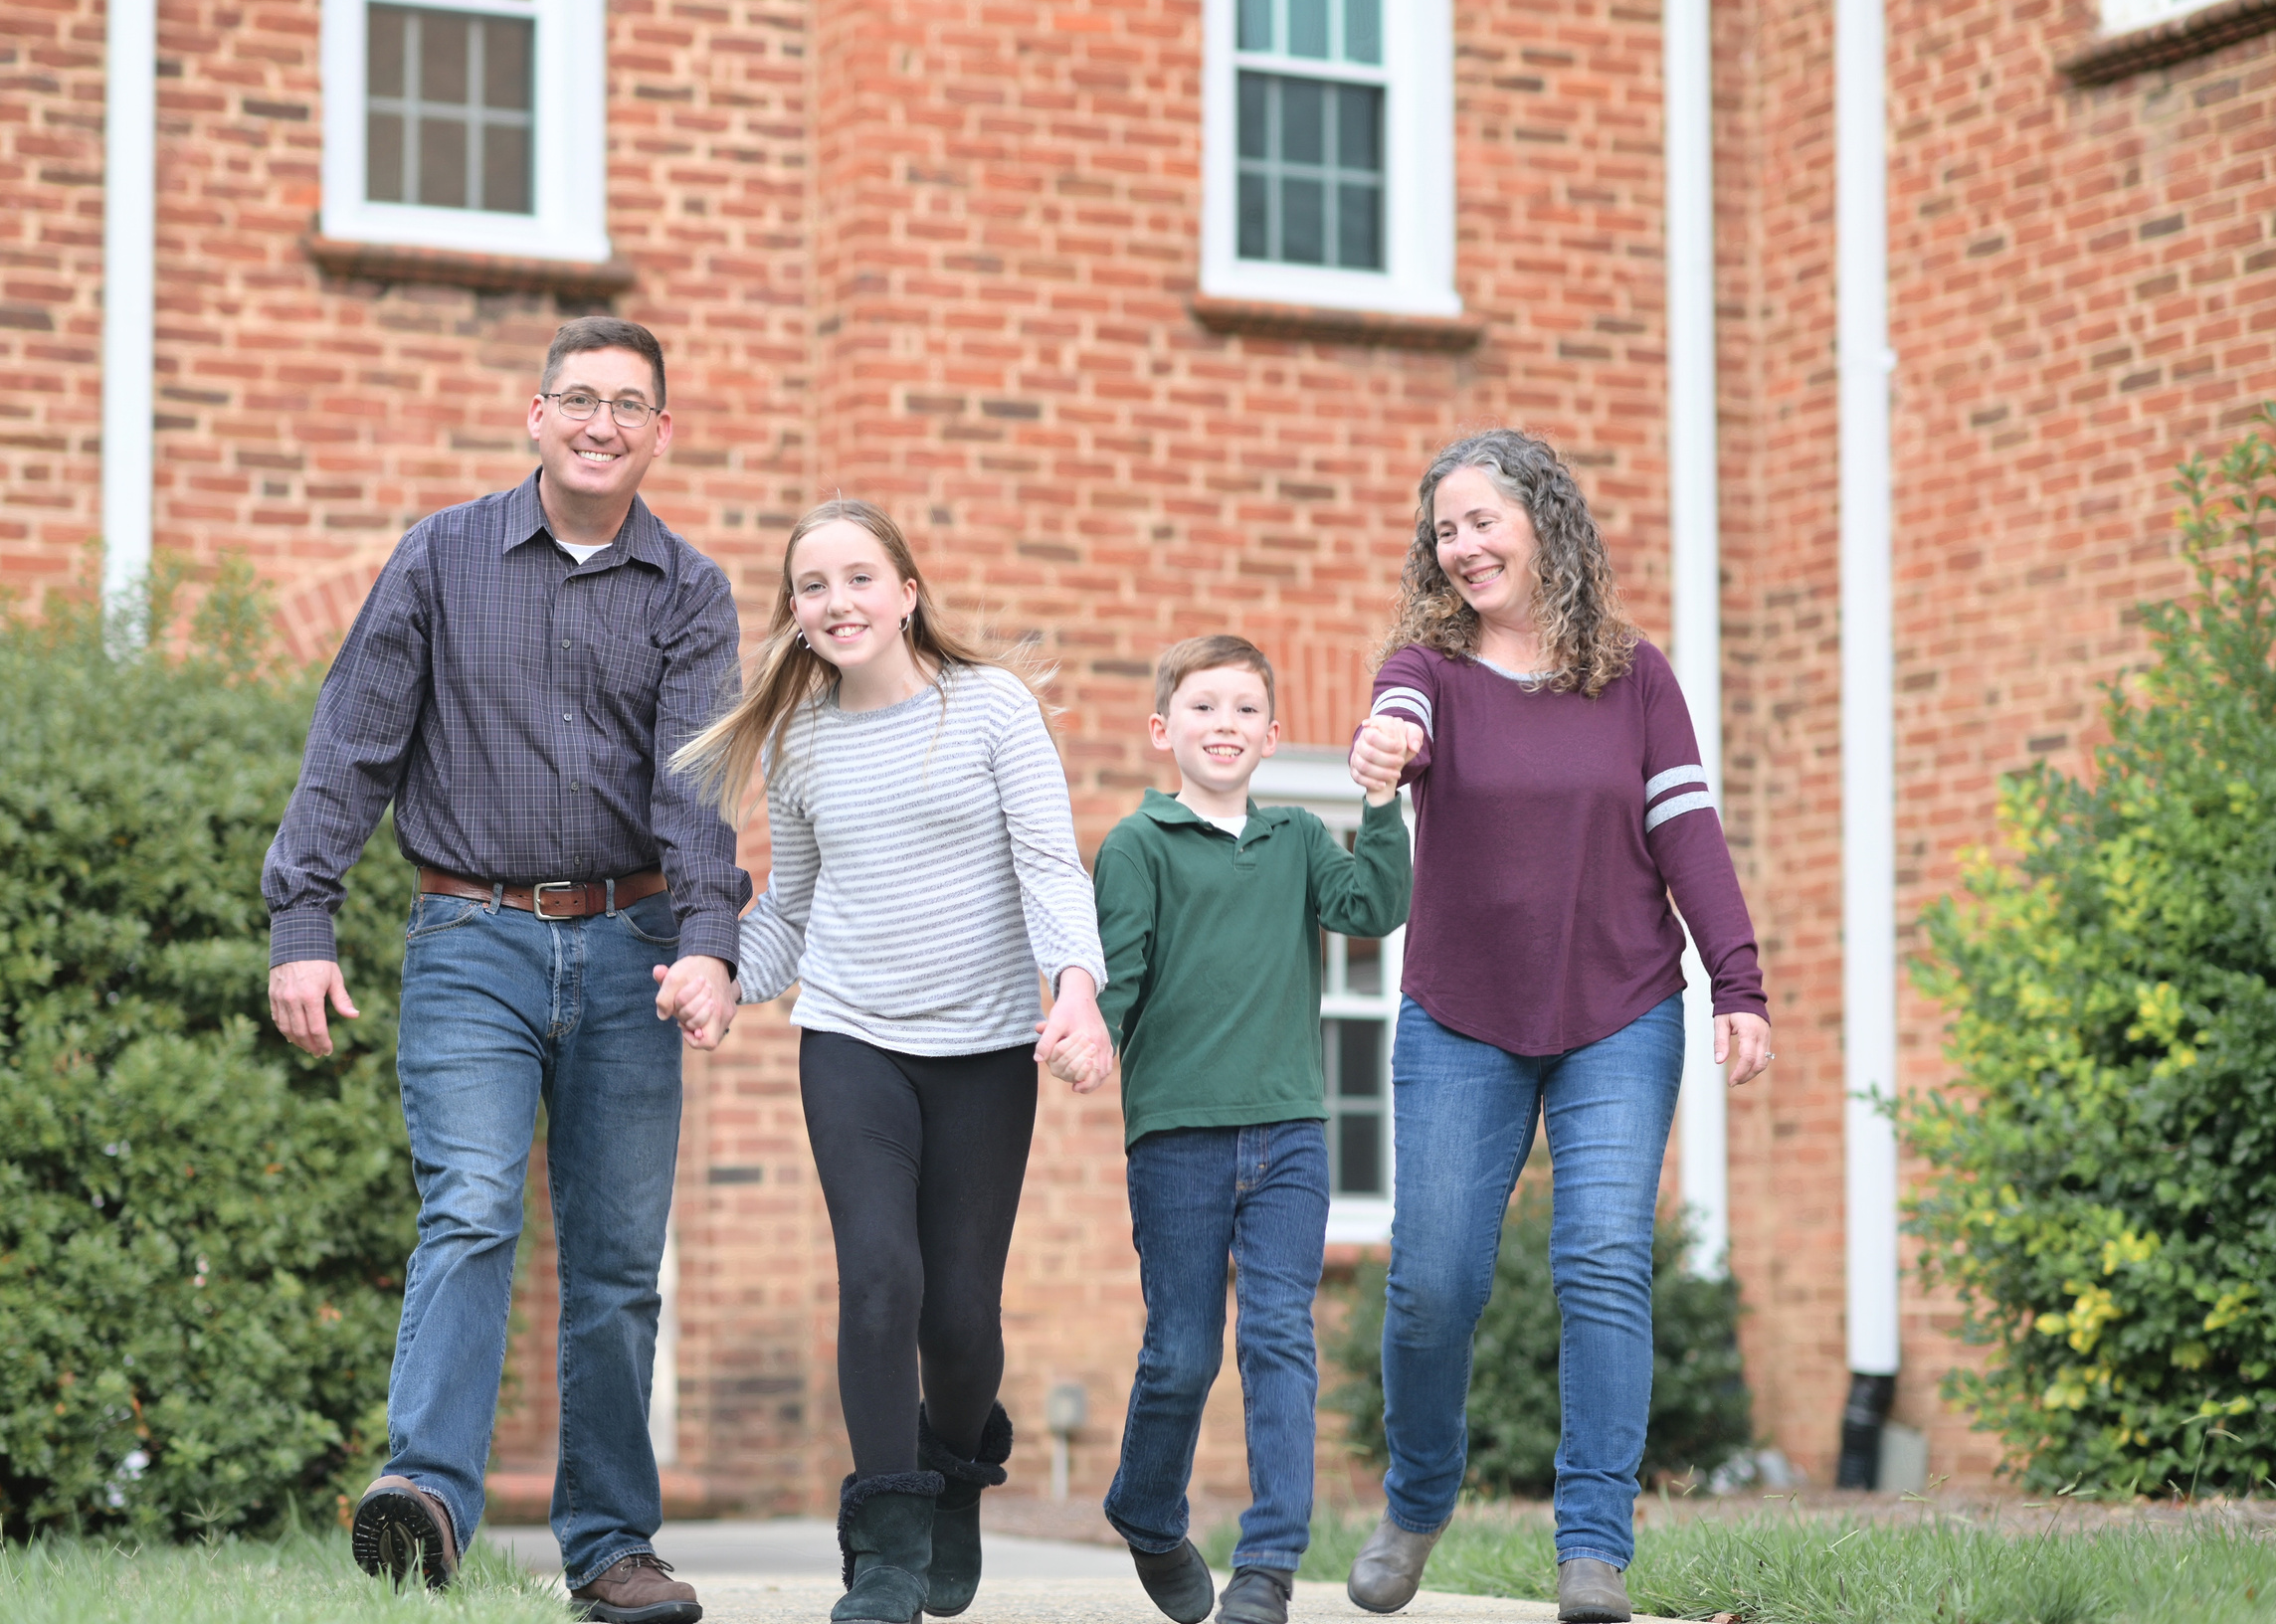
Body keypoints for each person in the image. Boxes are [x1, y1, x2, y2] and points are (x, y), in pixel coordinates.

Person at [263, 317, 746, 1620]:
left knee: (617, 1266)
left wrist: (710, 943)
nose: (600, 424)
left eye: (627, 405)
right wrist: (303, 922)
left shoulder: (689, 591)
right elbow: (354, 741)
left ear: (660, 433)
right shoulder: (442, 556)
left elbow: (695, 786)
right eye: (578, 398)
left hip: (633, 945)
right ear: (536, 415)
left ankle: (612, 1552)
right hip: (470, 936)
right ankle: (423, 1503)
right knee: (472, 1206)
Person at [1342, 431, 1774, 1624]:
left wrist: (1736, 983)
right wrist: (1386, 743)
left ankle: (1592, 1548)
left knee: (1601, 1264)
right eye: (1445, 530)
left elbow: (1687, 832)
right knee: (1432, 1282)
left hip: (1617, 1014)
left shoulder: (1634, 678)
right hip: (1462, 1018)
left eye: (1483, 520)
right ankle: (1417, 1500)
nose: (1463, 546)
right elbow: (1395, 718)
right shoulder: (1428, 671)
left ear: (1543, 522)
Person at [664, 498, 1114, 1624]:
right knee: (877, 1278)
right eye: (812, 586)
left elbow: (1050, 869)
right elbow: (795, 910)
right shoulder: (799, 740)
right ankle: (887, 1552)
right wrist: (719, 972)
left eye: (859, 578)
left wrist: (1075, 989)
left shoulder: (992, 709)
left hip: (982, 1050)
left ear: (907, 592)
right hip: (852, 1039)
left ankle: (952, 1478)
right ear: (794, 612)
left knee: (959, 1318)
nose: (837, 603)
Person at [1091, 636, 1415, 1624]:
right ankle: (1148, 1512)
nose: (1223, 725)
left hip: (1289, 1137)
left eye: (1243, 710)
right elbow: (1118, 975)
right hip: (1176, 1140)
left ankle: (1268, 1564)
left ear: (1272, 737)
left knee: (1279, 1338)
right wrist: (1087, 1035)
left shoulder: (1299, 839)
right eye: (1202, 707)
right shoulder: (1137, 845)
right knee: (1182, 1355)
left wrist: (1380, 801)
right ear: (1163, 730)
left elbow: (1373, 906)